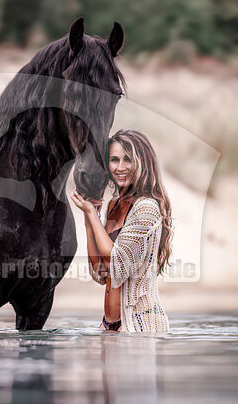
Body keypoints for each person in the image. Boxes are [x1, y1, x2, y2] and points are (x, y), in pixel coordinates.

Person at [71, 129, 172, 333]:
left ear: (143, 163)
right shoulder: (113, 206)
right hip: (109, 326)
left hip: (141, 323)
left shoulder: (146, 208)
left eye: (128, 160)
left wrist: (92, 214)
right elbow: (99, 270)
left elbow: (115, 261)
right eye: (114, 160)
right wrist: (89, 218)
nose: (120, 167)